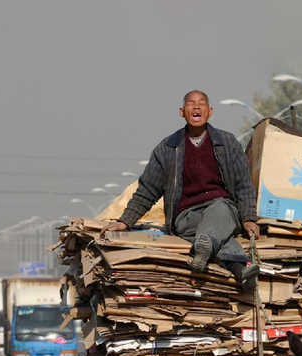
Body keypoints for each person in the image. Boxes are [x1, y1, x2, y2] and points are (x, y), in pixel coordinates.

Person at [102, 90, 260, 292]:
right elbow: (148, 189)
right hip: (186, 215)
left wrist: (248, 218)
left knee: (218, 211)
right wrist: (125, 221)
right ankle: (239, 268)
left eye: (201, 103)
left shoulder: (227, 143)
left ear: (209, 111)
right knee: (216, 235)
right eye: (191, 104)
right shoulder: (167, 148)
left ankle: (206, 250)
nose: (196, 107)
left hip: (223, 209)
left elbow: (243, 183)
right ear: (181, 112)